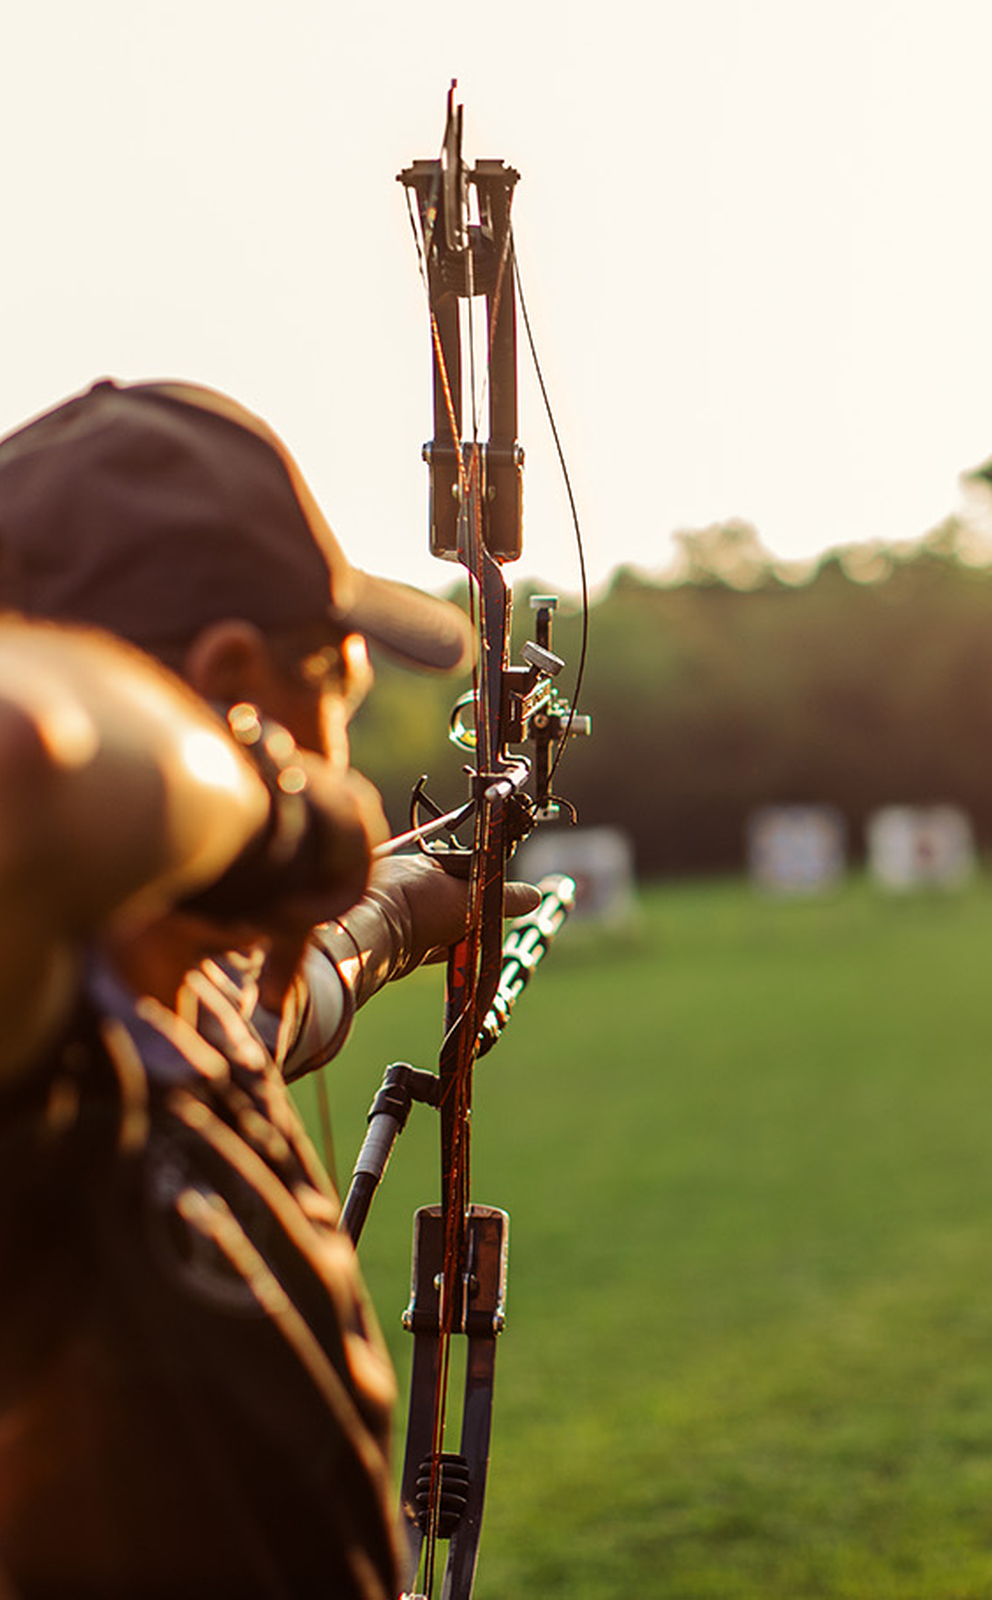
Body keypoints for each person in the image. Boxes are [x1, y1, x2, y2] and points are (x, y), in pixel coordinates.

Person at [0, 379, 535, 1597]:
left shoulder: (197, 1004)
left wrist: (408, 906)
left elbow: (330, 959)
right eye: (336, 691)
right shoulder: (41, 1072)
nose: (341, 757)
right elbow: (23, 763)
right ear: (241, 681)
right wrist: (281, 815)